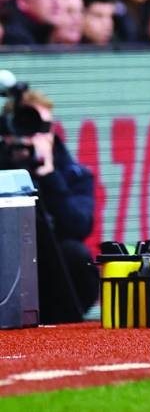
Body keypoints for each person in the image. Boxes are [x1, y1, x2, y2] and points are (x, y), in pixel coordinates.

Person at [0, 87, 98, 324]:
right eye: (24, 125)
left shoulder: (72, 173)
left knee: (76, 254)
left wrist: (49, 175)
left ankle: (64, 324)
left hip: (51, 271)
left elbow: (79, 226)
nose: (32, 135)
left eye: (41, 127)